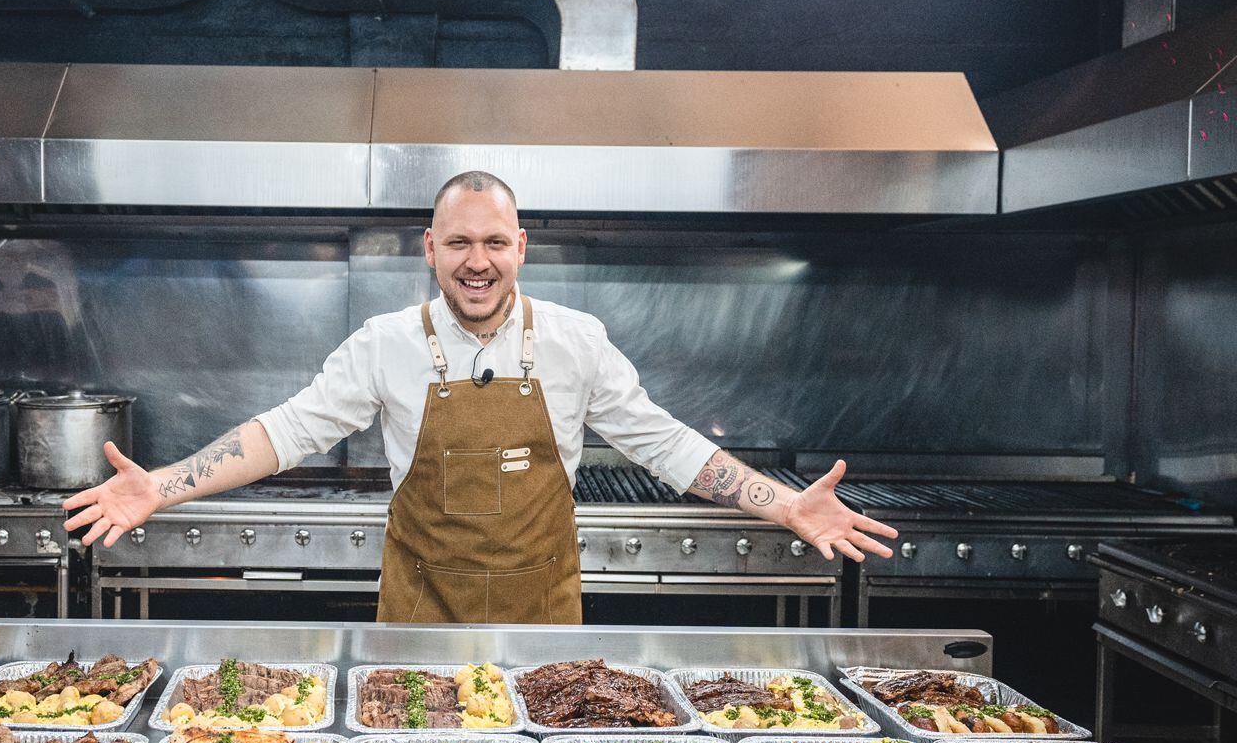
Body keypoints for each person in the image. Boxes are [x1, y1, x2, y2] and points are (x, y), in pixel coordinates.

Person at [63, 171, 897, 624]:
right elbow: (284, 433)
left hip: (543, 616)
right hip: (420, 618)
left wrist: (782, 505)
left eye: (495, 241)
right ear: (430, 248)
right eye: (458, 241)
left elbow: (664, 444)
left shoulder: (574, 341)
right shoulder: (386, 345)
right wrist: (161, 486)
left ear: (521, 248)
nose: (477, 260)